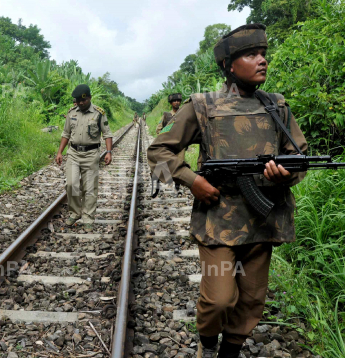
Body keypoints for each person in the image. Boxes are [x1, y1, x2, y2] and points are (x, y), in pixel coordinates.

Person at [147, 24, 308, 358]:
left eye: (263, 54)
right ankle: (207, 343)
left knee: (251, 300)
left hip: (263, 222)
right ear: (229, 66)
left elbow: (300, 158)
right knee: (220, 299)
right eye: (251, 55)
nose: (262, 60)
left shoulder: (277, 108)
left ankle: (230, 351)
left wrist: (285, 175)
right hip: (218, 221)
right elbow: (157, 154)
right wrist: (192, 181)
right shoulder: (203, 107)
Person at [56, 84, 113, 232]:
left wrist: (108, 152)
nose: (81, 103)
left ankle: (88, 217)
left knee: (90, 188)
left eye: (84, 100)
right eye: (78, 101)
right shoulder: (71, 113)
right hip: (74, 153)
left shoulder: (99, 113)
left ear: (89, 98)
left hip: (91, 154)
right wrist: (59, 152)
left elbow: (107, 134)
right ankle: (75, 213)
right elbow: (66, 134)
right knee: (72, 184)